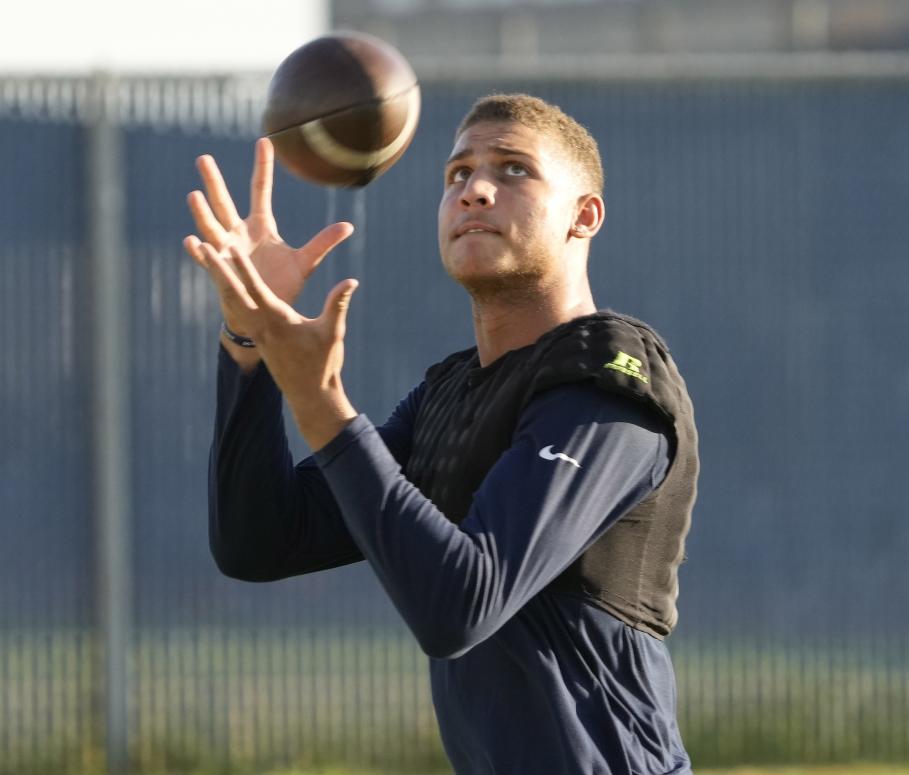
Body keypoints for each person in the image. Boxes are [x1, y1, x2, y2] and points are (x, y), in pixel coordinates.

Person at [184, 93, 699, 775]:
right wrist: (250, 340)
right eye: (457, 174)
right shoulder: (449, 391)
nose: (475, 190)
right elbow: (260, 539)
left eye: (513, 170)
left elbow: (460, 606)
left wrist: (321, 401)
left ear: (585, 215)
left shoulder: (608, 375)